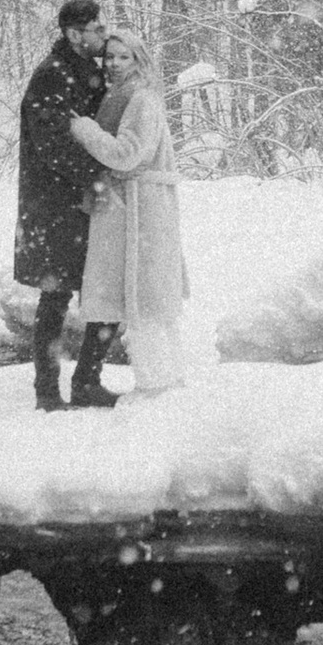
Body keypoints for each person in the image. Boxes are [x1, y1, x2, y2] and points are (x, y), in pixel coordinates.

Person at [68, 27, 191, 402]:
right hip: (126, 207)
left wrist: (84, 129)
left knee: (145, 300)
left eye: (124, 57)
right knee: (119, 297)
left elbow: (126, 154)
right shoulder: (120, 95)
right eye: (110, 57)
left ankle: (157, 386)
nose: (114, 64)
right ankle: (90, 381)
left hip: (141, 210)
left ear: (139, 60)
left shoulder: (141, 99)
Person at [13, 0, 107, 408]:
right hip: (56, 205)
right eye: (97, 28)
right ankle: (48, 392)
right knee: (56, 298)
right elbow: (52, 143)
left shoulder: (88, 71)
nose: (104, 34)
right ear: (74, 34)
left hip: (84, 202)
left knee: (103, 291)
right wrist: (95, 178)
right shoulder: (53, 75)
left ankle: (86, 382)